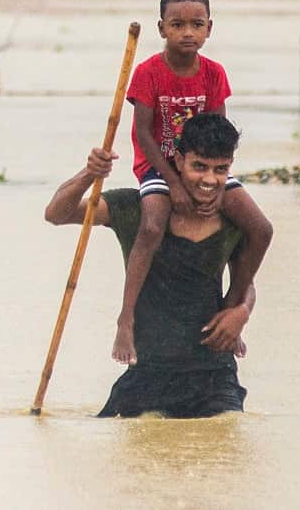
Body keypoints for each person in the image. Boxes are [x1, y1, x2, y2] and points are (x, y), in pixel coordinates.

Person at [44, 114, 268, 418]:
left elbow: (246, 280)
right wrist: (89, 173)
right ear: (178, 161)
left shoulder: (233, 220)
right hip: (147, 371)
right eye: (199, 166)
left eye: (220, 170)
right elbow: (57, 213)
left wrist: (241, 312)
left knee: (225, 438)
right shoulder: (134, 209)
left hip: (213, 375)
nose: (209, 180)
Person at [112, 0, 273, 365]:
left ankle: (233, 308)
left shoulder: (214, 73)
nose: (188, 32)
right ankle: (126, 318)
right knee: (152, 226)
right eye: (178, 24)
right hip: (159, 165)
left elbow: (219, 133)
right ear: (162, 28)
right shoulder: (149, 73)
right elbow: (144, 135)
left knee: (261, 229)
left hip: (204, 166)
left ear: (209, 29)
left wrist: (214, 185)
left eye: (196, 25)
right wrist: (171, 182)